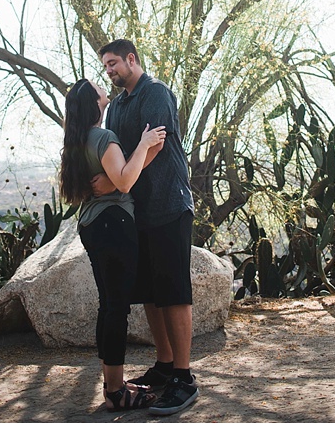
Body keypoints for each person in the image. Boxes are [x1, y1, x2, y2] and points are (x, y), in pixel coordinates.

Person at [92, 39, 200, 416]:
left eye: (113, 64)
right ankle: (166, 366)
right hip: (138, 212)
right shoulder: (118, 106)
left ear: (131, 59)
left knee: (173, 292)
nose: (109, 71)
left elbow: (154, 146)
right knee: (152, 294)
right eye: (105, 66)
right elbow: (117, 152)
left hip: (169, 206)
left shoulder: (156, 93)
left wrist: (115, 182)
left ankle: (184, 378)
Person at [59, 78, 166, 410]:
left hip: (91, 226)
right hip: (115, 225)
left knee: (109, 306)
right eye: (98, 87)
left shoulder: (75, 142)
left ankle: (112, 383)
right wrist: (145, 143)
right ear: (96, 102)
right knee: (117, 309)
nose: (105, 87)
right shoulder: (103, 137)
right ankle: (117, 392)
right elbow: (123, 180)